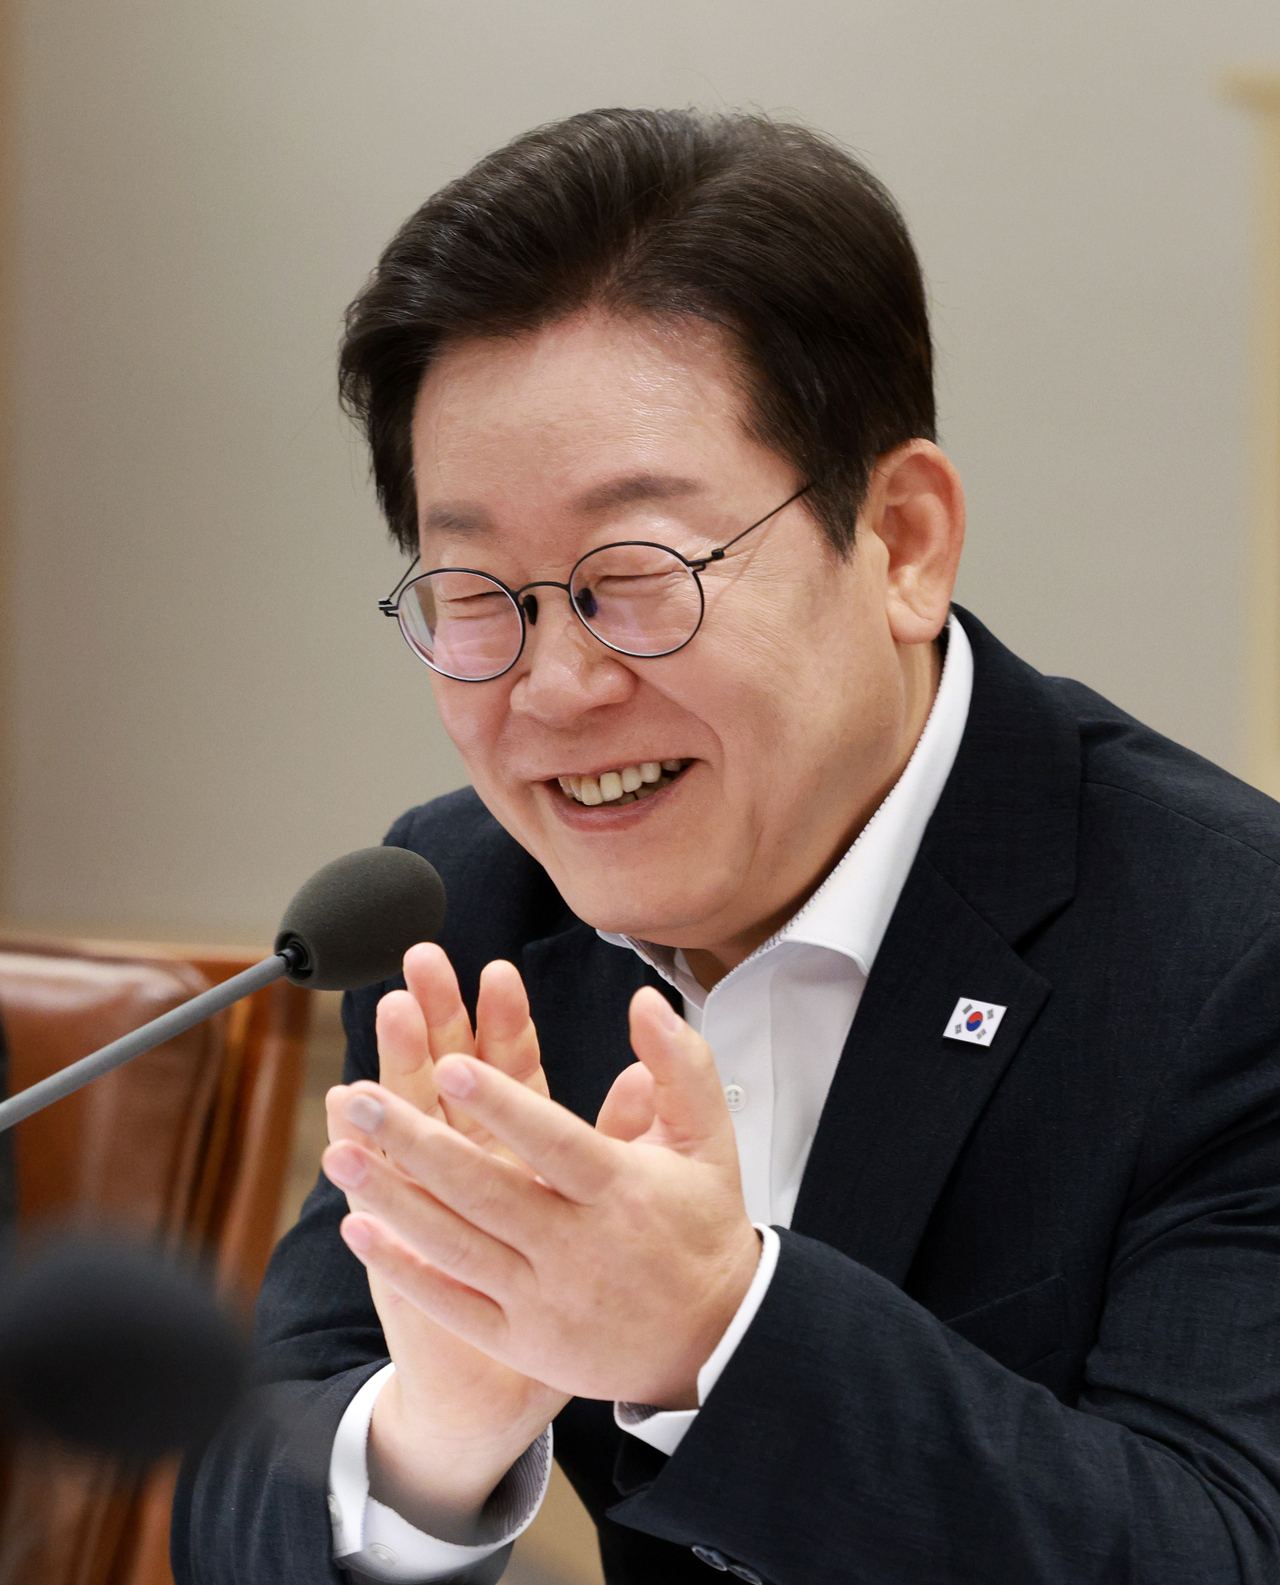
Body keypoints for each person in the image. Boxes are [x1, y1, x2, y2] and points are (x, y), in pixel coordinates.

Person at [173, 108, 1280, 1584]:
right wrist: (435, 1432)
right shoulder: (479, 900)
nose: (555, 688)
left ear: (900, 540)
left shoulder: (1231, 946)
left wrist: (715, 1331)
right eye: (474, 593)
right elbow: (239, 1497)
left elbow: (1222, 1543)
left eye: (637, 575)